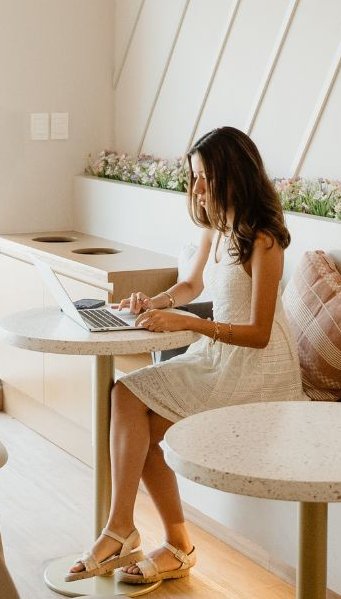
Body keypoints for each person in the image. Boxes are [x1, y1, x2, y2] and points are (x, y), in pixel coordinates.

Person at [64, 126, 305, 587]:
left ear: (234, 176)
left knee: (140, 418)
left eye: (205, 178)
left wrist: (190, 324)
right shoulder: (216, 229)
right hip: (218, 354)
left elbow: (258, 333)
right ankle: (135, 530)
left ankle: (158, 539)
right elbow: (192, 285)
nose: (196, 189)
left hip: (256, 370)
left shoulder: (265, 240)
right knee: (127, 398)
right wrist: (156, 303)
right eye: (193, 178)